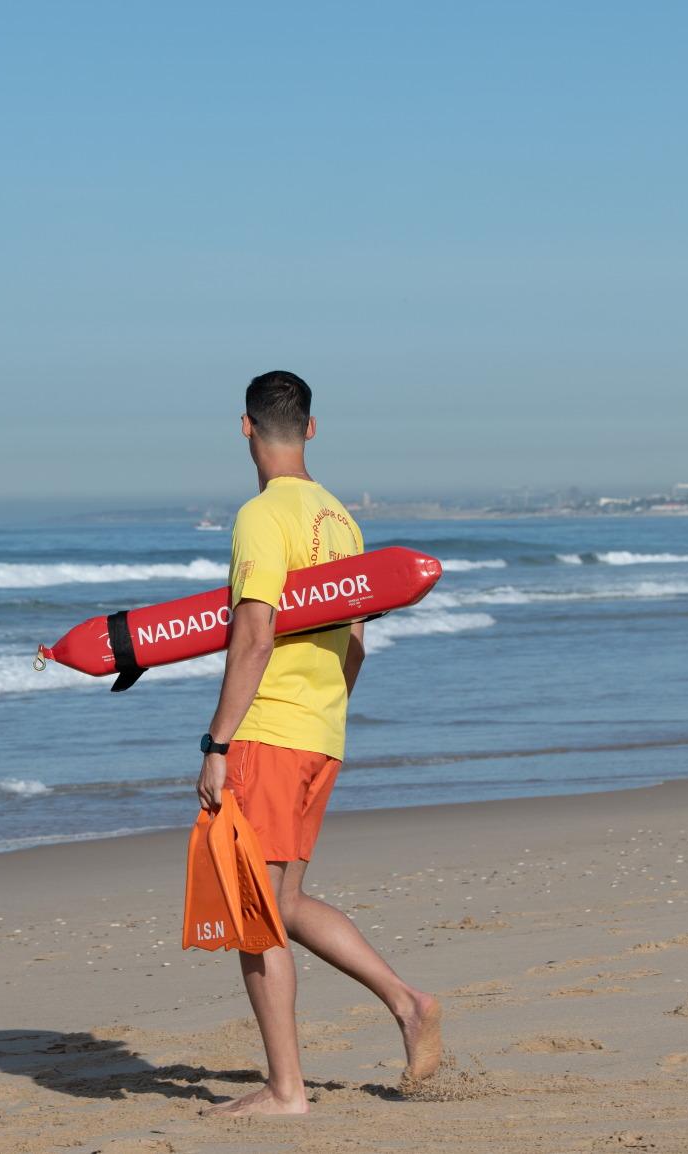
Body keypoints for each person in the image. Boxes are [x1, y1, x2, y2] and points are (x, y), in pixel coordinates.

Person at [194, 370, 442, 1117]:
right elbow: (357, 642)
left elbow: (254, 632)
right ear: (310, 428)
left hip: (268, 734)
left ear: (245, 428)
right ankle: (407, 1003)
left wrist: (217, 741)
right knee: (286, 901)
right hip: (320, 734)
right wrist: (325, 715)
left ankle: (287, 1090)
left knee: (255, 915)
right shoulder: (341, 521)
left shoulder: (261, 516)